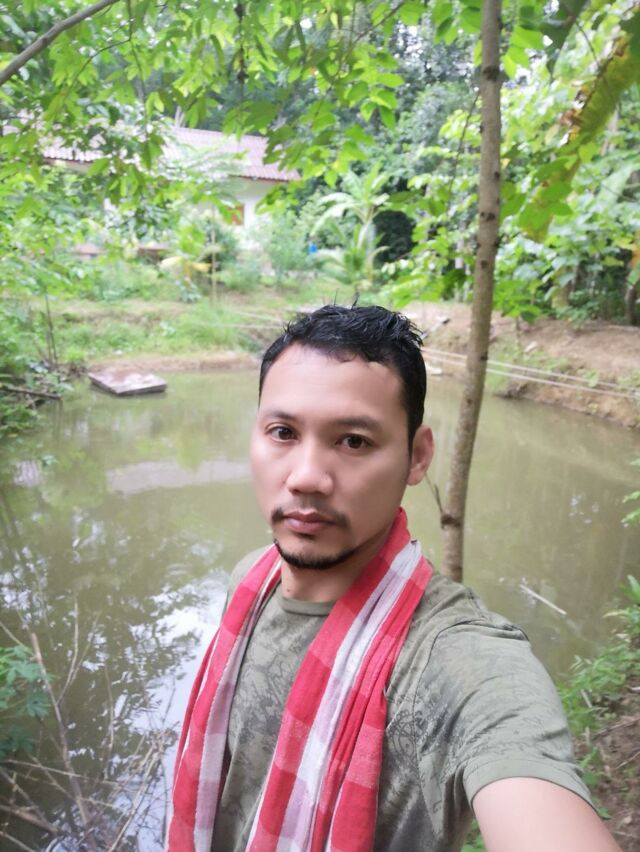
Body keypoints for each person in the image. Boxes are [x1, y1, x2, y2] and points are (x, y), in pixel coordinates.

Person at [169, 305, 620, 852]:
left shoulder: (454, 659)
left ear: (417, 456)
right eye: (283, 432)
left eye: (354, 441)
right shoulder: (251, 579)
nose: (306, 477)